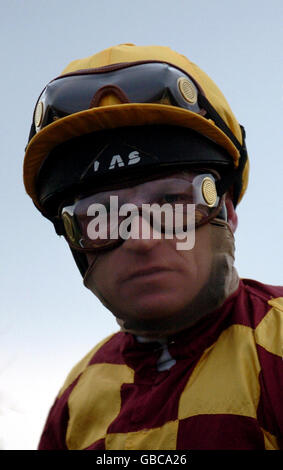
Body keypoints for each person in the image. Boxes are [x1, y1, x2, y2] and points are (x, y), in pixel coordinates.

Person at [23, 44, 283, 450]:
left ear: (227, 212)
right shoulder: (76, 397)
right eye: (102, 217)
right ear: (75, 242)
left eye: (171, 203)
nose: (141, 239)